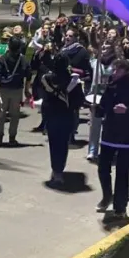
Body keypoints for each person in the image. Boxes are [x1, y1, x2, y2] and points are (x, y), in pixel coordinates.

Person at [95, 59, 129, 221]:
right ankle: (106, 195)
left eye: (117, 70)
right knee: (103, 169)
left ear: (126, 71)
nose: (113, 72)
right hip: (109, 135)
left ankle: (120, 207)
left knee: (122, 173)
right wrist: (97, 109)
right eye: (113, 69)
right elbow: (103, 108)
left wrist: (128, 111)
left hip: (128, 138)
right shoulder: (110, 89)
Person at [40, 54, 84, 186]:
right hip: (67, 116)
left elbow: (43, 96)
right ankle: (59, 170)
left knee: (54, 145)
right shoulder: (74, 81)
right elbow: (79, 101)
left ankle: (56, 170)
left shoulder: (46, 79)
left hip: (52, 116)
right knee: (63, 145)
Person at [0, 36, 30, 146]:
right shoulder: (23, 59)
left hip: (3, 89)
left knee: (0, 114)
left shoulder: (3, 58)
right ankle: (12, 137)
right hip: (17, 90)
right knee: (15, 115)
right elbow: (28, 75)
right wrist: (27, 90)